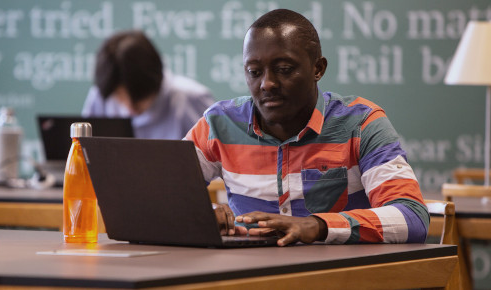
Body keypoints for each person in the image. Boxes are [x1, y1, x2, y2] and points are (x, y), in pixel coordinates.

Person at [186, 9, 428, 246]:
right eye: (254, 72)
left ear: (318, 69)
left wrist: (317, 226)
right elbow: (159, 197)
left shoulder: (361, 123)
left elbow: (412, 217)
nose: (267, 83)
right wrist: (204, 213)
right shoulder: (218, 124)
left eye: (284, 70)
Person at [82, 30, 215, 140]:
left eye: (139, 98)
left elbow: (217, 162)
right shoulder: (100, 96)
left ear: (155, 82)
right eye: (119, 98)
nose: (130, 108)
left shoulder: (191, 98)